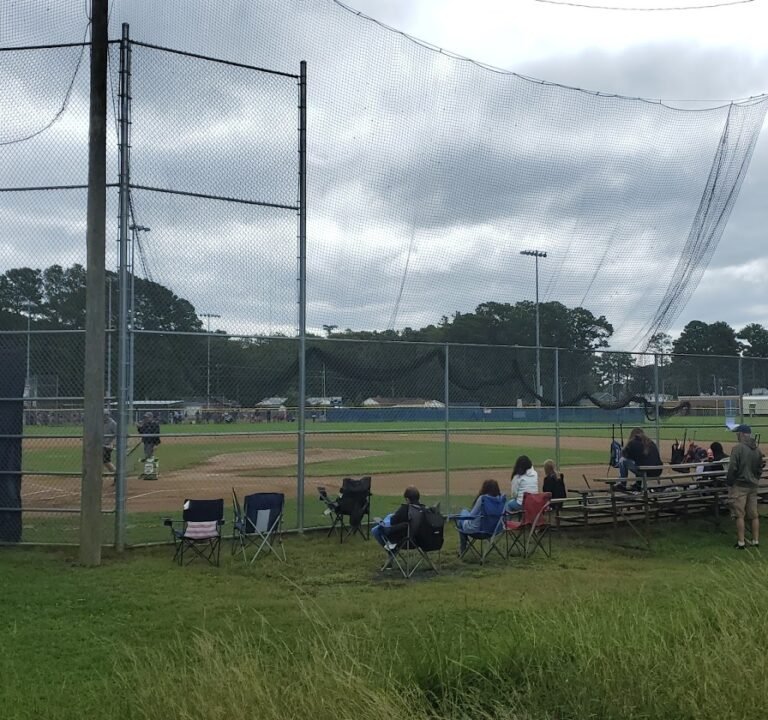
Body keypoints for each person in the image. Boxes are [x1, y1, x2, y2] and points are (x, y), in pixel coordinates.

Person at [726, 424, 764, 550]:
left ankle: (741, 542)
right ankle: (755, 540)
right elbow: (760, 467)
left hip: (740, 485)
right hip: (753, 485)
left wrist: (729, 481)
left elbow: (732, 467)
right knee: (754, 514)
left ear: (742, 434)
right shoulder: (757, 450)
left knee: (739, 514)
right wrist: (755, 478)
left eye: (738, 433)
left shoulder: (737, 449)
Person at [371, 487, 424, 564]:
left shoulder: (405, 509)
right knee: (389, 516)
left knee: (376, 530)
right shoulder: (423, 509)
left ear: (407, 499)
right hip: (420, 540)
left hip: (404, 540)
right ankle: (391, 551)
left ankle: (391, 551)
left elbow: (393, 521)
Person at [456, 479, 504, 554]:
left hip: (478, 531)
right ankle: (463, 549)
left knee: (463, 513)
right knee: (465, 512)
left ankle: (462, 549)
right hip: (494, 530)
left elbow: (472, 516)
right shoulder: (501, 499)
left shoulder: (483, 499)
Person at [616, 427, 662, 492]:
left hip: (646, 472)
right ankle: (638, 485)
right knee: (639, 462)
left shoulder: (633, 442)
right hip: (657, 471)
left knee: (622, 460)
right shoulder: (651, 442)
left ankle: (622, 484)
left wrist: (624, 448)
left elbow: (624, 455)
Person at [102, 409, 117, 476]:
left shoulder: (113, 423)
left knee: (106, 461)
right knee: (99, 460)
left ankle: (116, 474)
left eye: (106, 415)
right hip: (100, 445)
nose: (105, 416)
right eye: (104, 415)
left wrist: (112, 444)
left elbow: (117, 435)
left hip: (107, 445)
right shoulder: (99, 422)